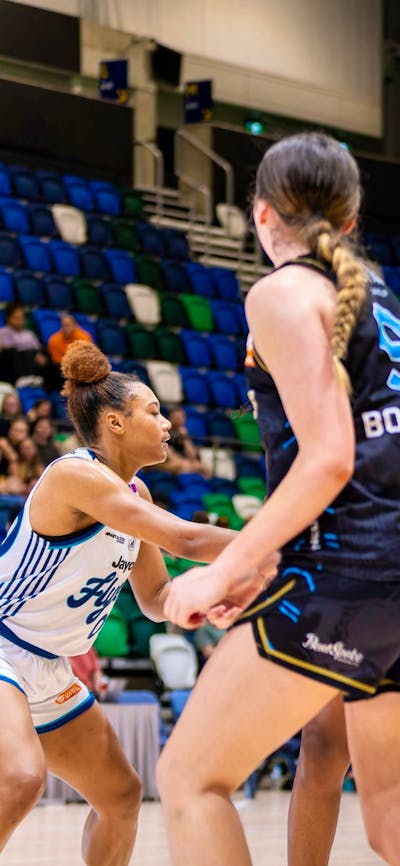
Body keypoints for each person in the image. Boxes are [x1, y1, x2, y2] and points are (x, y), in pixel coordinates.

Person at [157, 132, 400, 866]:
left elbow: (329, 459)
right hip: (382, 576)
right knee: (389, 819)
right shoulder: (383, 307)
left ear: (262, 217)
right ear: (350, 220)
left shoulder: (286, 292)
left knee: (189, 778)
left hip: (355, 574)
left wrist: (225, 567)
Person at [0, 339, 278, 865]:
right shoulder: (73, 475)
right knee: (19, 778)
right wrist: (278, 547)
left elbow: (155, 596)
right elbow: (187, 541)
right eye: (154, 411)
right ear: (115, 422)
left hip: (50, 667)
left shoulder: (137, 494)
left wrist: (205, 598)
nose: (169, 422)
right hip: (4, 645)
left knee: (122, 798)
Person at [0, 302, 60, 389]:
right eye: (16, 318)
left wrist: (41, 356)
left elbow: (38, 350)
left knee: (53, 365)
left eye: (21, 318)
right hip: (15, 369)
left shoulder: (29, 334)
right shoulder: (3, 332)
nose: (20, 321)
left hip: (34, 366)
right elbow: (8, 352)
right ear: (9, 318)